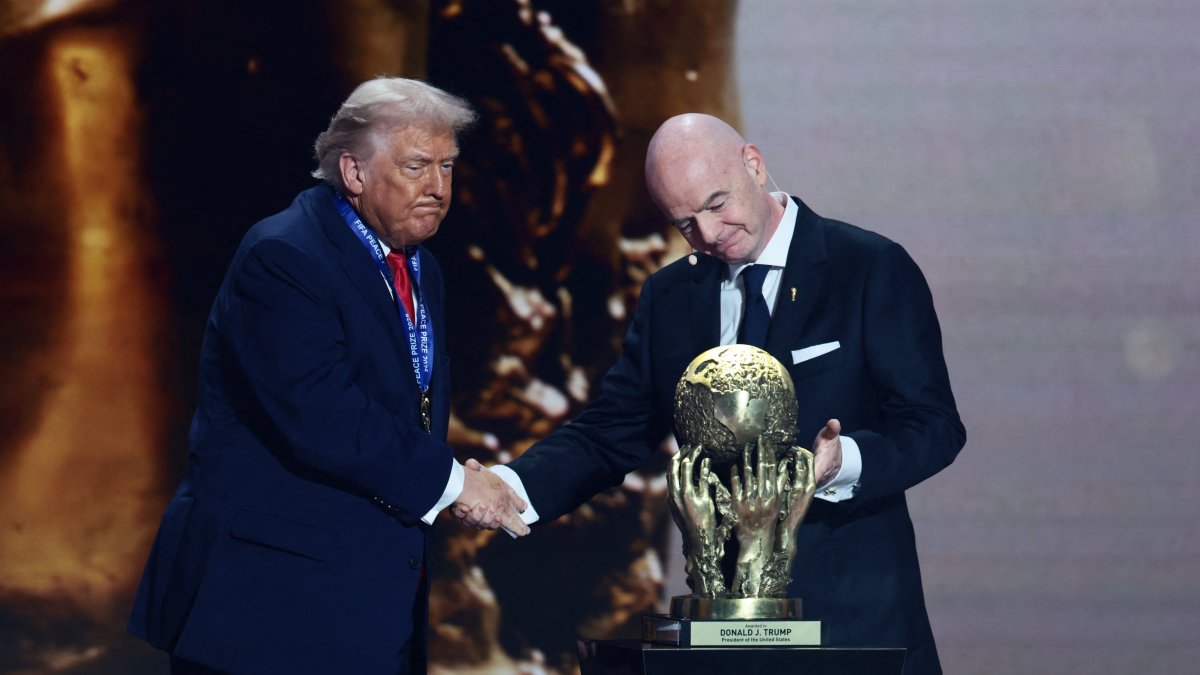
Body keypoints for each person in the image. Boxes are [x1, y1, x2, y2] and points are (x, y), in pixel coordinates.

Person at [470, 113, 966, 674]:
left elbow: (933, 425)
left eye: (716, 205)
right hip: (724, 631)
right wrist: (512, 486)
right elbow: (610, 431)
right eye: (684, 223)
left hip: (854, 620)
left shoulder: (867, 267)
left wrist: (840, 462)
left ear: (753, 165)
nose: (707, 234)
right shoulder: (671, 295)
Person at [128, 77, 528, 675]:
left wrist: (452, 482)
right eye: (417, 166)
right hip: (267, 614)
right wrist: (453, 484)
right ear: (354, 172)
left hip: (365, 606)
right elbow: (324, 415)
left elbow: (405, 410)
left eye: (447, 166)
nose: (439, 188)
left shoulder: (420, 266)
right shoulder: (284, 257)